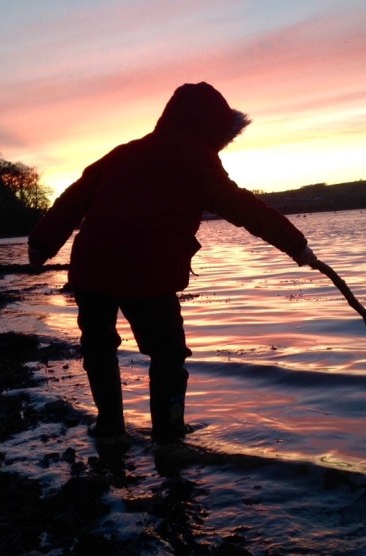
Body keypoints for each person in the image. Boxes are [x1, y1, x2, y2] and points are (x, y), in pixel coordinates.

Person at [28, 82, 317, 443]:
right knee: (167, 354)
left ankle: (111, 429)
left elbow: (74, 198)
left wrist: (42, 243)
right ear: (212, 128)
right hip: (149, 273)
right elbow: (243, 207)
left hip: (92, 268)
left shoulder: (122, 153)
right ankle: (169, 433)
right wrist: (297, 245)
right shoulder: (198, 160)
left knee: (99, 350)